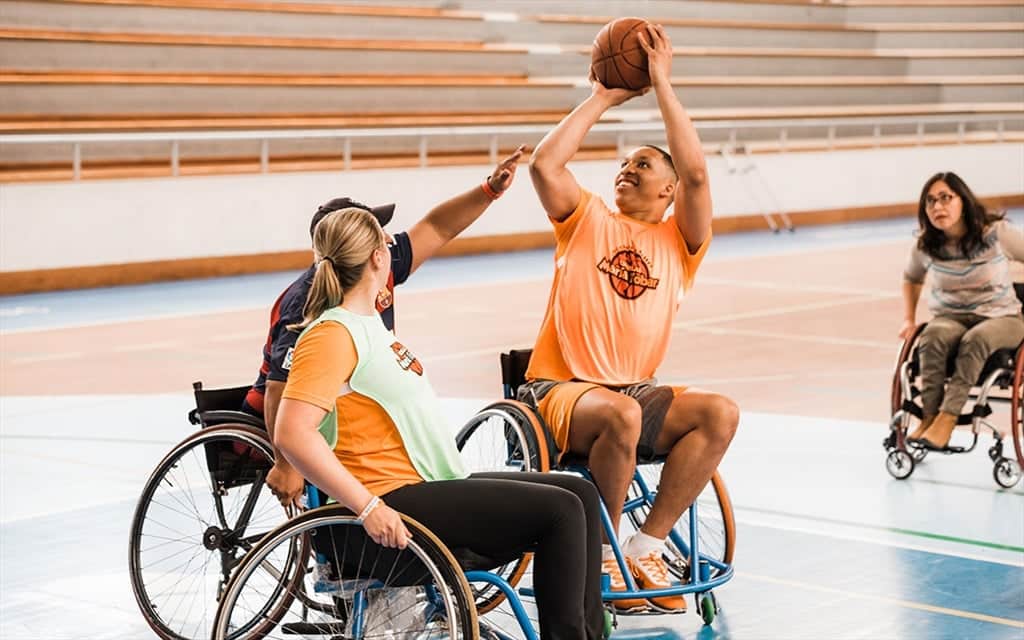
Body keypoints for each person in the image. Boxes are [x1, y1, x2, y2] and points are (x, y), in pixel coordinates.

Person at [275, 207, 605, 640]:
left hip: (425, 486)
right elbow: (292, 432)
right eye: (389, 243)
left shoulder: (369, 324)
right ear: (378, 256)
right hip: (386, 507)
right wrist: (369, 507)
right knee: (560, 513)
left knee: (578, 489)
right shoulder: (331, 334)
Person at [520, 24, 739, 613]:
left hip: (631, 392)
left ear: (669, 190)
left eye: (642, 164)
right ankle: (606, 549)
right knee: (620, 411)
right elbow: (544, 166)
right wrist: (604, 96)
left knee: (720, 413)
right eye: (624, 162)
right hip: (562, 390)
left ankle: (646, 543)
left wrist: (661, 80)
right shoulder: (585, 218)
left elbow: (697, 173)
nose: (627, 168)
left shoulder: (681, 241)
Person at [247, 147, 524, 507]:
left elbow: (438, 227)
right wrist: (287, 463)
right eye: (377, 232)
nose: (389, 238)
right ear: (354, 247)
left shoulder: (382, 264)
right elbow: (280, 388)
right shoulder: (306, 301)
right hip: (291, 407)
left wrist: (489, 189)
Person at [900, 171, 1024, 450]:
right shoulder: (926, 245)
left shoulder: (995, 234)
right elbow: (911, 278)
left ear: (963, 201)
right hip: (951, 317)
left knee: (976, 340)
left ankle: (947, 419)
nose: (937, 207)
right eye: (930, 201)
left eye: (945, 198)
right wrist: (908, 319)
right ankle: (929, 418)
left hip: (1002, 316)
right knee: (932, 337)